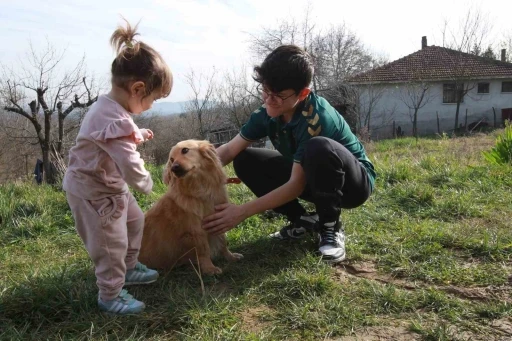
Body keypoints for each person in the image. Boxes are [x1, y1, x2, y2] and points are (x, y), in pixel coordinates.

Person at [203, 45, 375, 264]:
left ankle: (330, 227)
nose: (268, 100)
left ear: (303, 93)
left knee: (318, 147)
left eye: (278, 96)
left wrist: (241, 211)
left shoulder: (316, 118)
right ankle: (303, 221)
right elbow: (229, 150)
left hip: (352, 185)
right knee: (245, 160)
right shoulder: (268, 110)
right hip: (311, 177)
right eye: (265, 91)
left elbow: (295, 185)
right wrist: (193, 171)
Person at [63, 21, 173, 314]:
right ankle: (110, 294)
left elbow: (115, 137)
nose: (151, 105)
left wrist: (138, 133)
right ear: (138, 89)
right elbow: (127, 161)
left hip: (110, 187)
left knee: (135, 222)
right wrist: (145, 182)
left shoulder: (110, 109)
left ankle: (130, 266)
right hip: (95, 194)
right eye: (152, 99)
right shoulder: (115, 119)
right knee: (110, 245)